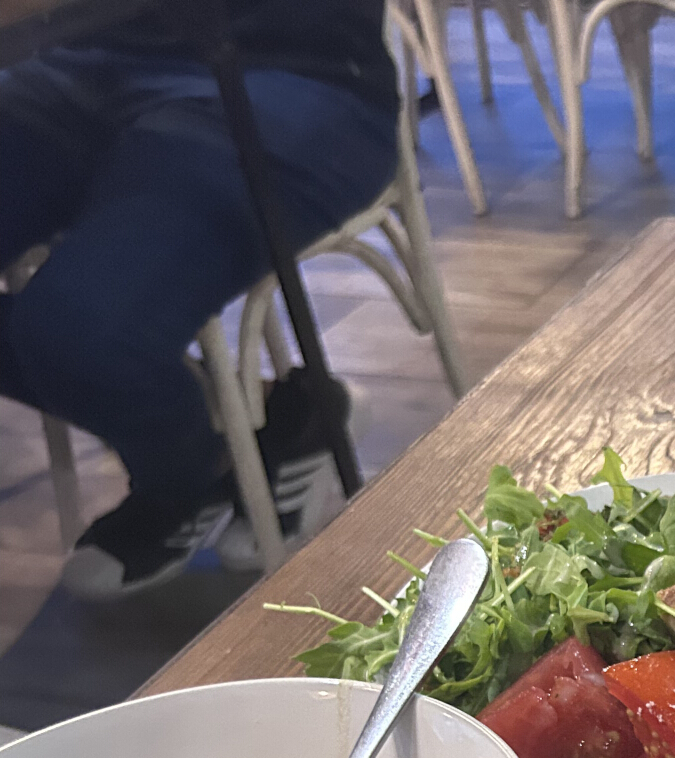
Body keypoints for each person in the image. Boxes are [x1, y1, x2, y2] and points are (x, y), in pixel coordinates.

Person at [0, 0, 397, 597]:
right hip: (76, 56)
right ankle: (245, 421)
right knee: (79, 332)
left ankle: (187, 476)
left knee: (82, 331)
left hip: (292, 64)